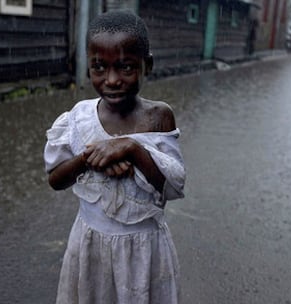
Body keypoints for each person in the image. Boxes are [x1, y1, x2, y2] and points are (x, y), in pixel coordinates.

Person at [43, 10, 186, 304]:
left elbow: (173, 187)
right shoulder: (79, 119)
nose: (111, 80)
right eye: (99, 67)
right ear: (88, 66)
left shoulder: (159, 117)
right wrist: (90, 157)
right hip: (90, 244)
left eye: (126, 67)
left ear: (148, 65)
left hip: (144, 250)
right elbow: (55, 180)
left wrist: (131, 149)